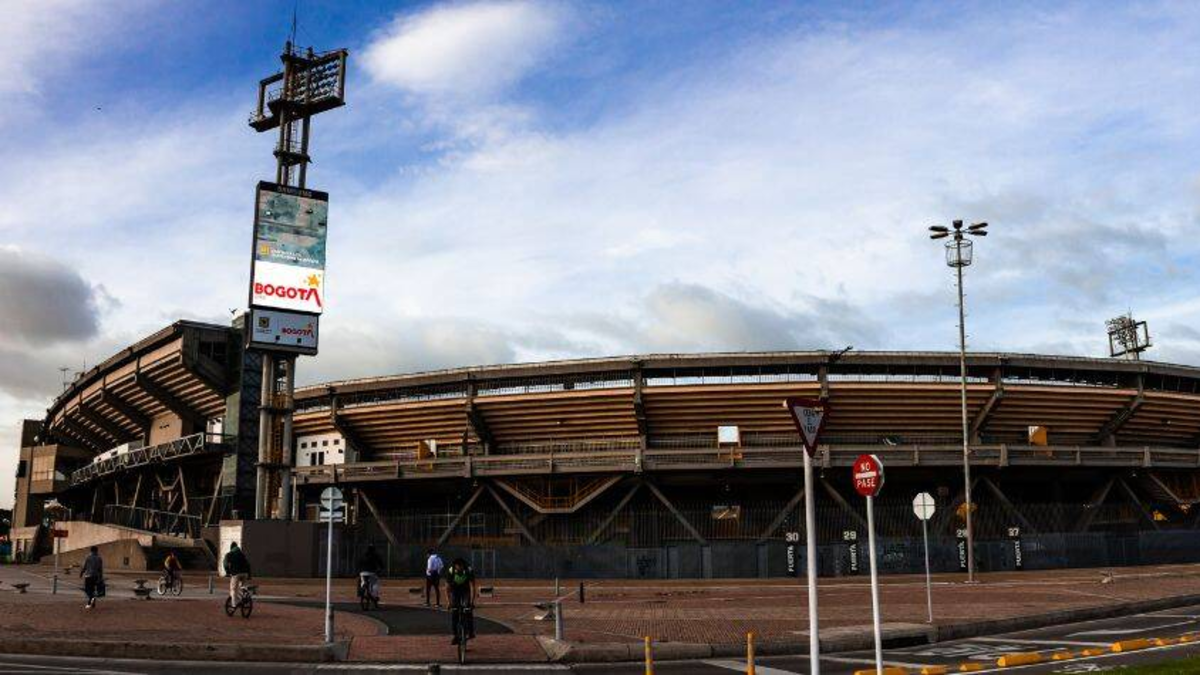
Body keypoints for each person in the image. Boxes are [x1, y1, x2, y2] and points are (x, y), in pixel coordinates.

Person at [444, 557, 477, 645]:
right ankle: (455, 635)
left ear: (463, 566)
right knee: (454, 612)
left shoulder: (468, 570)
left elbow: (472, 587)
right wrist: (449, 602)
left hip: (466, 590)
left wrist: (472, 602)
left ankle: (470, 631)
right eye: (457, 567)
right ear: (455, 566)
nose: (459, 568)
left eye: (461, 567)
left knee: (468, 609)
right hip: (455, 590)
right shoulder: (451, 571)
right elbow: (447, 588)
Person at [223, 542, 251, 607]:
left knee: (233, 589)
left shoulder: (229, 554)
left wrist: (227, 572)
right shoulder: (242, 554)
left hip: (236, 573)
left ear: (231, 548)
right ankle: (243, 599)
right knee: (243, 587)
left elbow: (225, 564)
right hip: (245, 573)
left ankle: (234, 604)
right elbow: (248, 565)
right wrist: (249, 575)